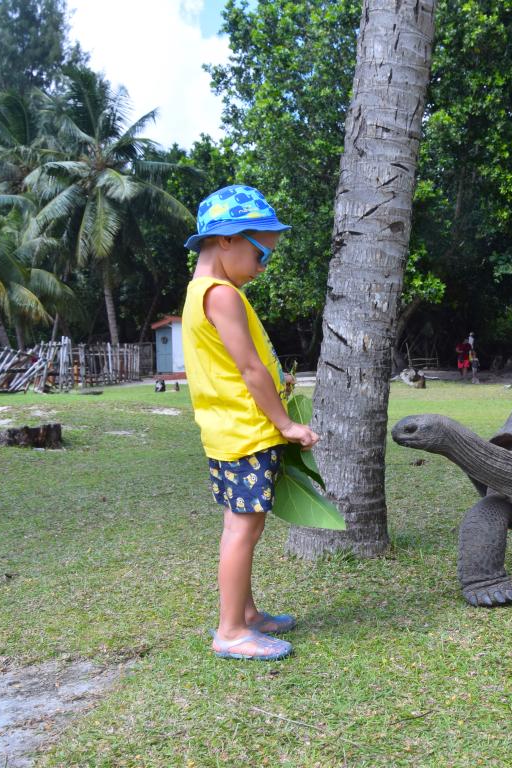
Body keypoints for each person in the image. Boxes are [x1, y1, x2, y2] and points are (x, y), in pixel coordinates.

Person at [181, 185, 319, 662]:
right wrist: (286, 424)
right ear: (225, 240)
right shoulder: (222, 296)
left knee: (244, 525)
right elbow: (250, 370)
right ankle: (231, 631)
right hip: (246, 430)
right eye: (261, 253)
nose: (263, 267)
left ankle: (247, 614)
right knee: (243, 528)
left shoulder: (204, 291)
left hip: (229, 430)